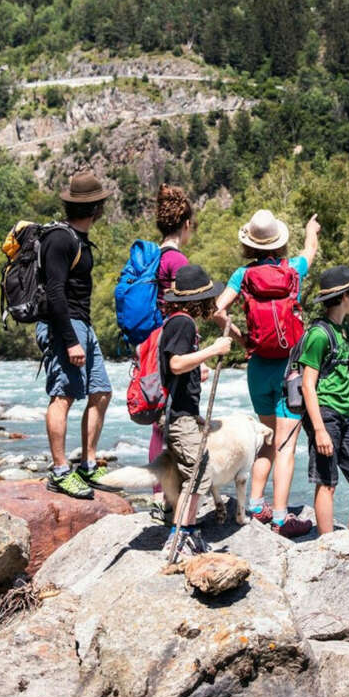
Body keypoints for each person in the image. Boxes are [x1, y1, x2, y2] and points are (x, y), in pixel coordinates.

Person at [214, 208, 320, 537]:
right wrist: (311, 228)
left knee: (266, 439)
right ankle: (281, 517)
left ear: (250, 244)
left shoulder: (242, 276)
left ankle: (256, 505)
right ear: (279, 241)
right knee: (287, 444)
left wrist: (239, 337)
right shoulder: (294, 270)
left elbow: (217, 309)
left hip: (258, 364)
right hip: (291, 367)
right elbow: (310, 251)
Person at [39, 169, 117, 500]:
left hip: (82, 325)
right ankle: (59, 471)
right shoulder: (60, 239)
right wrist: (70, 339)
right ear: (96, 208)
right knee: (63, 396)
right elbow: (55, 293)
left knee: (101, 392)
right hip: (64, 327)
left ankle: (87, 463)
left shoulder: (78, 239)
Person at [158, 263, 233, 556]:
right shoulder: (183, 323)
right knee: (199, 474)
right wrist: (213, 350)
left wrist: (197, 368)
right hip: (179, 417)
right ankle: (180, 536)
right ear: (199, 299)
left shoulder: (178, 321)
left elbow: (177, 366)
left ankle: (185, 531)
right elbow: (175, 363)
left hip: (183, 414)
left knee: (194, 472)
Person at [299, 266, 349, 535]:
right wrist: (319, 429)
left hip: (345, 417)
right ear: (345, 296)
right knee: (327, 483)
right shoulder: (319, 335)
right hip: (325, 415)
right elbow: (308, 385)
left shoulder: (343, 332)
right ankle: (327, 547)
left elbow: (343, 380)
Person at [149, 184, 195, 479]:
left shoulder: (153, 256)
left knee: (159, 417)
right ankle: (165, 495)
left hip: (152, 340)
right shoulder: (178, 261)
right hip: (173, 342)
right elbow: (187, 306)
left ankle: (160, 493)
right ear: (186, 224)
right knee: (173, 419)